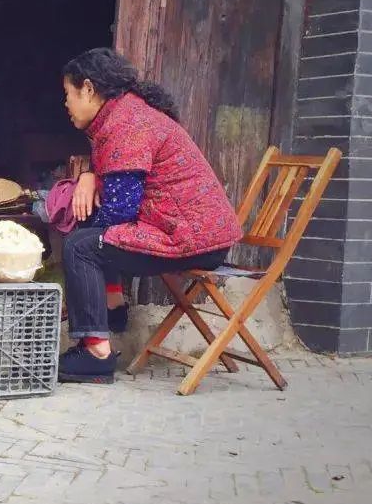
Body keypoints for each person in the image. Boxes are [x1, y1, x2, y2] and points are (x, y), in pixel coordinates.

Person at [58, 48, 243, 384]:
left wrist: (89, 192)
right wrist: (89, 178)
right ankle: (112, 309)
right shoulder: (121, 115)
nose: (66, 104)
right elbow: (115, 181)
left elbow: (120, 210)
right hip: (190, 231)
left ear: (88, 88)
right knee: (91, 224)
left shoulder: (127, 124)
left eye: (68, 94)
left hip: (192, 237)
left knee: (80, 246)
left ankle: (95, 352)